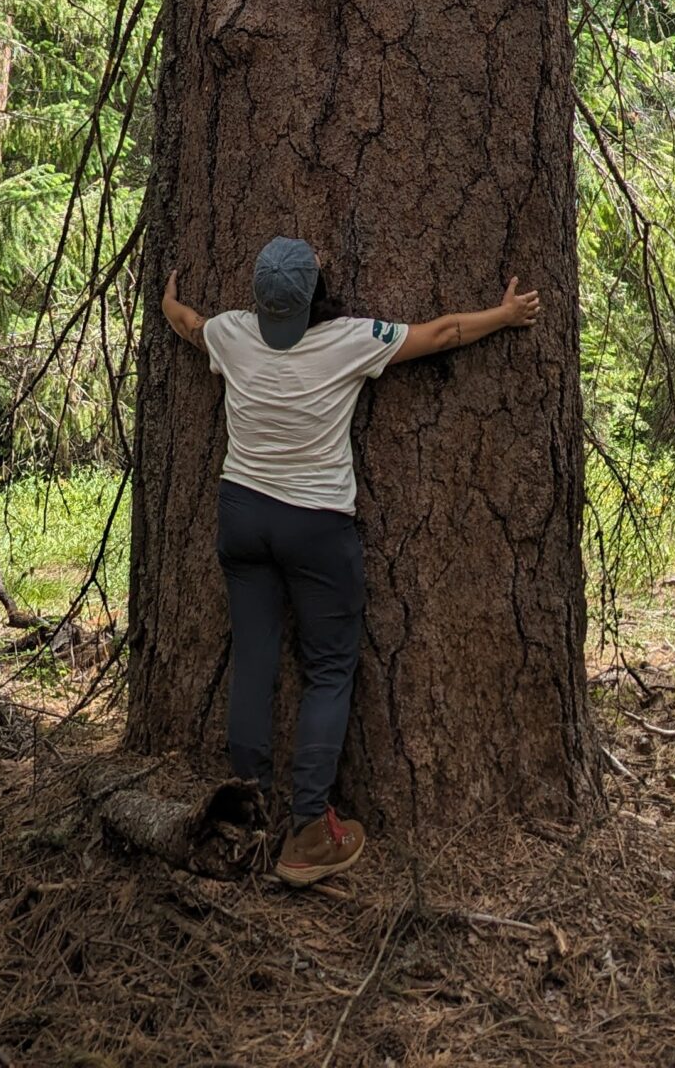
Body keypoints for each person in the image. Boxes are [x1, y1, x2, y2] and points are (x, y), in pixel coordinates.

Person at [160, 238, 541, 885]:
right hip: (315, 526)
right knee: (329, 669)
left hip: (243, 516)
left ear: (259, 297)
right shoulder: (351, 340)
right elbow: (444, 332)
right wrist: (504, 317)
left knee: (253, 657)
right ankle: (308, 832)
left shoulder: (231, 334)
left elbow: (188, 324)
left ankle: (241, 820)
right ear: (311, 296)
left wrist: (168, 301)